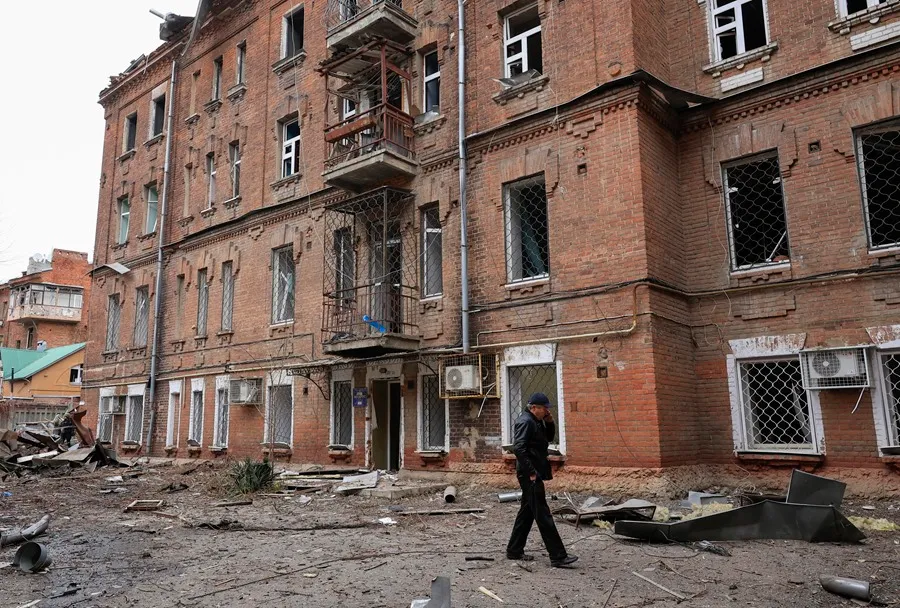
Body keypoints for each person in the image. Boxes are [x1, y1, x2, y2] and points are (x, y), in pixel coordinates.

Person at [506, 392, 578, 567]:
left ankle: (514, 550)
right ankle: (558, 556)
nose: (546, 410)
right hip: (529, 474)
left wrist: (550, 422)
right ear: (533, 407)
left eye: (547, 408)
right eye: (544, 408)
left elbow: (548, 439)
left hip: (533, 472)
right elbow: (519, 448)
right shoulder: (525, 422)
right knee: (543, 514)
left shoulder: (535, 421)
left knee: (527, 512)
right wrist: (531, 471)